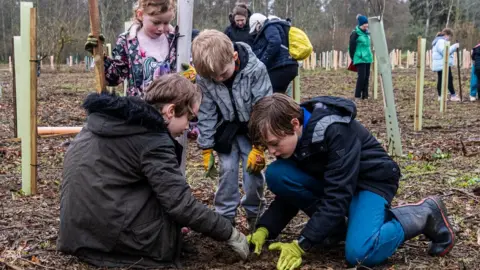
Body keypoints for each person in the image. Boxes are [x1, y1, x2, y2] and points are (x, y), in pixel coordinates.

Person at [57, 74, 249, 268]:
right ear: (171, 111)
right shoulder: (152, 140)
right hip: (111, 238)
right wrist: (230, 233)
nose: (188, 127)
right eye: (190, 118)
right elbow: (181, 205)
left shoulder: (108, 122)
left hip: (77, 233)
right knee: (169, 202)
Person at [246, 94, 455, 270]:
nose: (271, 151)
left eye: (274, 144)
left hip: (371, 182)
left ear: (294, 123)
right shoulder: (295, 139)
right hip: (337, 183)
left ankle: (424, 214)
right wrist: (265, 228)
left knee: (361, 253)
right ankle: (335, 230)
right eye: (267, 146)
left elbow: (337, 196)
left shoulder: (334, 130)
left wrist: (302, 244)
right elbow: (290, 196)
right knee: (277, 174)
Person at [192, 29, 272, 229]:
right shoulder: (206, 78)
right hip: (225, 129)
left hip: (251, 129)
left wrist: (260, 146)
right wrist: (207, 147)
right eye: (213, 77)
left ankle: (255, 215)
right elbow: (207, 111)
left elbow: (264, 107)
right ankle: (225, 218)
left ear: (234, 57)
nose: (218, 79)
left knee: (252, 172)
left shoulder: (255, 70)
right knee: (227, 170)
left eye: (223, 74)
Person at [84, 0, 195, 97]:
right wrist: (98, 55)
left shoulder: (177, 40)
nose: (161, 28)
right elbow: (114, 77)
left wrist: (193, 76)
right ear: (140, 15)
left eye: (166, 22)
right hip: (141, 113)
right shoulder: (127, 42)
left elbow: (188, 69)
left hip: (173, 112)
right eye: (156, 22)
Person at [249, 13, 298, 94]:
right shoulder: (277, 26)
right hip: (289, 65)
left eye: (256, 29)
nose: (256, 32)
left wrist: (263, 62)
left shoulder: (269, 26)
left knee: (272, 95)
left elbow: (275, 42)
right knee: (280, 95)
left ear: (258, 23)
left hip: (281, 67)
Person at [431, 28, 460, 101]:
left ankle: (442, 96)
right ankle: (450, 96)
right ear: (447, 35)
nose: (449, 39)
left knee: (443, 79)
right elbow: (445, 52)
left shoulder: (439, 40)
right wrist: (454, 46)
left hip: (442, 63)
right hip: (443, 64)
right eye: (450, 37)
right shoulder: (441, 41)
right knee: (448, 79)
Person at [349, 14, 373, 100]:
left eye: (367, 23)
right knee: (361, 77)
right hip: (360, 58)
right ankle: (357, 95)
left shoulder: (367, 33)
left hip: (367, 58)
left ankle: (365, 95)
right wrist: (353, 57)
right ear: (360, 24)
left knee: (366, 77)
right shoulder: (355, 33)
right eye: (364, 24)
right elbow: (351, 47)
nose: (366, 25)